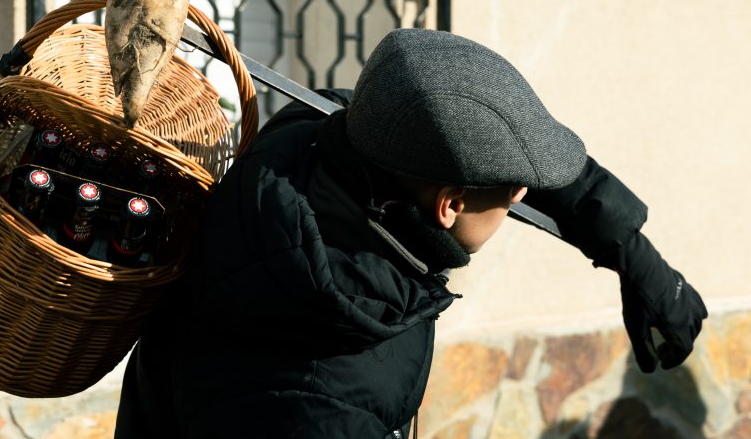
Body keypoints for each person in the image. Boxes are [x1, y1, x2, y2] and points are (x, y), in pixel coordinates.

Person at [114, 29, 708, 438]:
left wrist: (631, 252)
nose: (525, 197)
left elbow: (508, 145)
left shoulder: (339, 141)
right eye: (511, 193)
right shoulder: (315, 399)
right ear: (448, 205)